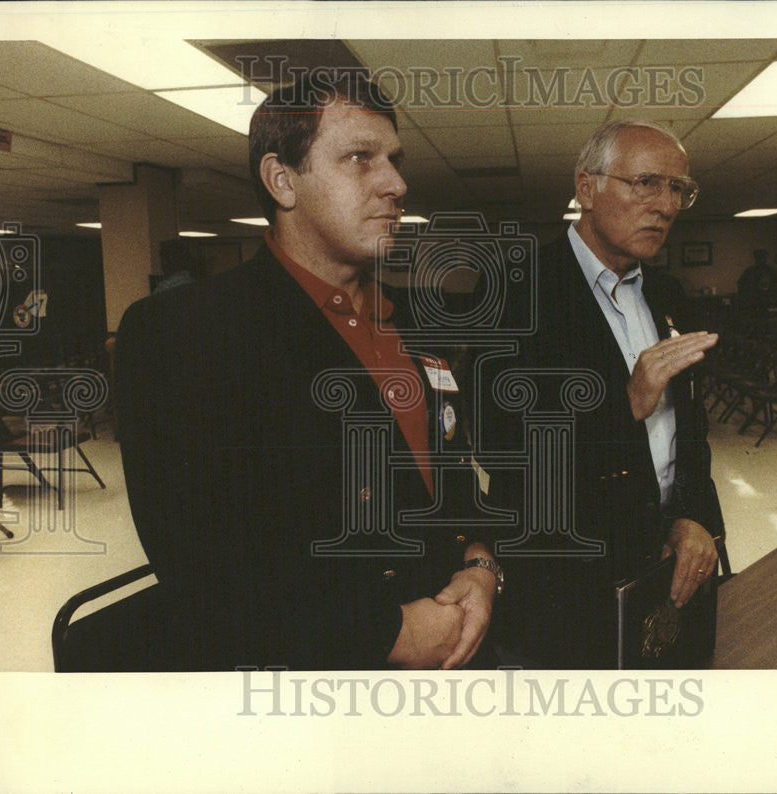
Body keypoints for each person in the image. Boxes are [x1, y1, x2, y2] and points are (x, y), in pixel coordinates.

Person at [115, 72, 500, 671]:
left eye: (394, 161)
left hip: (454, 652)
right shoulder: (184, 333)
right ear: (281, 180)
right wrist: (385, 633)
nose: (396, 184)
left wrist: (480, 566)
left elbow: (452, 483)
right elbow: (203, 567)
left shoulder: (422, 323)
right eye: (359, 158)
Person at [483, 120, 724, 668]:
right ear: (586, 189)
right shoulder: (518, 289)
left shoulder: (667, 292)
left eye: (678, 189)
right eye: (647, 183)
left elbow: (691, 430)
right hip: (566, 579)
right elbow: (499, 439)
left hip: (661, 563)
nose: (665, 205)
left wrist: (693, 517)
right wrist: (624, 406)